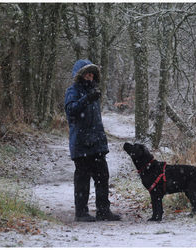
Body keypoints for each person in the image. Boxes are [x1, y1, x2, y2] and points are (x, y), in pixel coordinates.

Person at [64, 59, 121, 222]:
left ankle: (103, 211)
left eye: (91, 74)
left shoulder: (94, 92)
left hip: (96, 143)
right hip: (81, 143)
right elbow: (71, 111)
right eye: (86, 74)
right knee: (82, 179)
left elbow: (95, 120)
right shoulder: (73, 91)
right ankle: (81, 213)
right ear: (80, 75)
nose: (89, 77)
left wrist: (101, 140)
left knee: (103, 177)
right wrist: (86, 99)